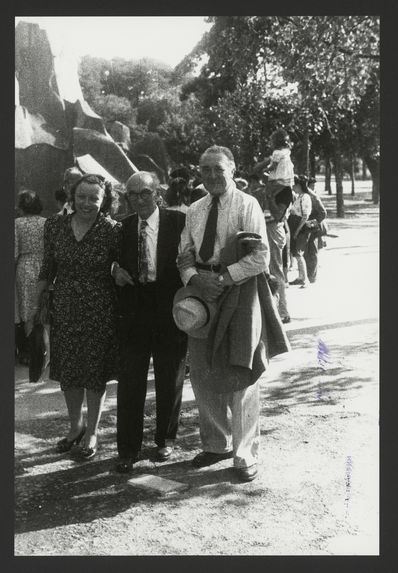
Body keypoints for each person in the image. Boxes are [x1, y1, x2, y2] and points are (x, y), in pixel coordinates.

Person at [177, 145, 289, 482]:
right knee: (202, 371)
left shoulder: (247, 204)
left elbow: (260, 257)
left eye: (218, 169)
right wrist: (196, 279)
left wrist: (223, 279)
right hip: (202, 293)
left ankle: (244, 455)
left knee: (242, 372)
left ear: (232, 168)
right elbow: (183, 255)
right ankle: (216, 444)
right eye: (205, 169)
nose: (211, 175)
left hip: (240, 292)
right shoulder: (194, 209)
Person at [36, 174, 121, 460]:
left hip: (100, 305)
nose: (86, 203)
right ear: (72, 196)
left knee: (94, 370)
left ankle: (93, 431)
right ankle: (76, 427)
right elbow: (47, 267)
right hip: (64, 305)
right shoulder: (55, 225)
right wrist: (38, 304)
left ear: (104, 200)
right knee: (70, 368)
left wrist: (117, 272)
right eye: (81, 196)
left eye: (93, 198)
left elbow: (120, 266)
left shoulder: (112, 229)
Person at [111, 171, 188, 473]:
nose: (139, 199)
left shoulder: (178, 222)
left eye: (145, 192)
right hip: (133, 309)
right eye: (132, 194)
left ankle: (165, 439)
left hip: (168, 306)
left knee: (171, 376)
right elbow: (108, 259)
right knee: (130, 381)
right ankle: (128, 448)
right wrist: (114, 269)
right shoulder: (121, 227)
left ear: (158, 193)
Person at [15, 190, 46, 365]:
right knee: (43, 305)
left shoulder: (17, 224)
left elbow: (13, 251)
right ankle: (44, 349)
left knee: (27, 308)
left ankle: (31, 352)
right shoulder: (46, 222)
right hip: (43, 266)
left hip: (25, 266)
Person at [288, 174, 312, 288]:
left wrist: (297, 231)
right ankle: (300, 277)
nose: (293, 187)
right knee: (296, 253)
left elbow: (305, 216)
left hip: (300, 228)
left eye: (294, 185)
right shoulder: (299, 196)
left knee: (298, 253)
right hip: (294, 225)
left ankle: (305, 279)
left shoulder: (305, 197)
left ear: (298, 185)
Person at [304, 177, 327, 283]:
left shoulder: (313, 196)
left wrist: (311, 224)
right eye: (311, 186)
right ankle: (307, 275)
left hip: (313, 228)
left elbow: (323, 213)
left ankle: (312, 276)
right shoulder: (304, 195)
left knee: (312, 252)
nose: (313, 188)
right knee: (306, 252)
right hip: (306, 227)